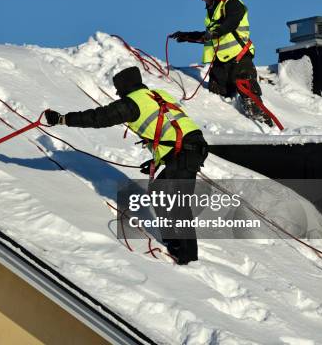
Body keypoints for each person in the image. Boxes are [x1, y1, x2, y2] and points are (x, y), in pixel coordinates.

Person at [45, 66, 208, 264]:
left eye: (119, 92)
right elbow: (171, 129)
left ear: (124, 89)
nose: (119, 95)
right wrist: (158, 160)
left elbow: (99, 117)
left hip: (184, 152)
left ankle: (187, 257)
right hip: (188, 148)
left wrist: (63, 119)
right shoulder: (157, 95)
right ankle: (174, 241)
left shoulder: (132, 104)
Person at [171, 0, 274, 126]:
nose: (202, 0)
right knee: (216, 102)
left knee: (251, 102)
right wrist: (187, 36)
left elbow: (230, 23)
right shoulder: (213, 11)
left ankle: (268, 132)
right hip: (220, 66)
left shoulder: (233, 4)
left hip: (239, 61)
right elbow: (210, 37)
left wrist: (215, 33)